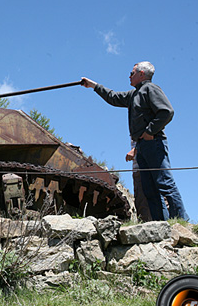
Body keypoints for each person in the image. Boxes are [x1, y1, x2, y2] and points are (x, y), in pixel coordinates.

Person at [81, 61, 189, 222]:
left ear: (142, 74)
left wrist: (149, 132)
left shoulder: (150, 89)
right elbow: (113, 97)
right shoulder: (134, 94)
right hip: (142, 146)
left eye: (132, 73)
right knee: (149, 189)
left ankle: (181, 221)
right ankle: (161, 224)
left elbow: (167, 112)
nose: (129, 76)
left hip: (153, 143)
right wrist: (94, 85)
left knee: (164, 183)